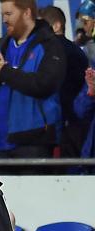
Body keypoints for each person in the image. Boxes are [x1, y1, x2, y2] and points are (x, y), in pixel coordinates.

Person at [0, 0, 65, 173]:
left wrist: (4, 72)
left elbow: (44, 84)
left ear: (27, 13)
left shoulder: (50, 45)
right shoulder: (0, 46)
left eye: (9, 14)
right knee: (3, 199)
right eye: (2, 15)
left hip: (34, 142)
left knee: (34, 199)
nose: (4, 20)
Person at [38, 5, 88, 159]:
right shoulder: (78, 52)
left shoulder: (45, 52)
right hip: (76, 124)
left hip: (54, 125)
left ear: (57, 25)